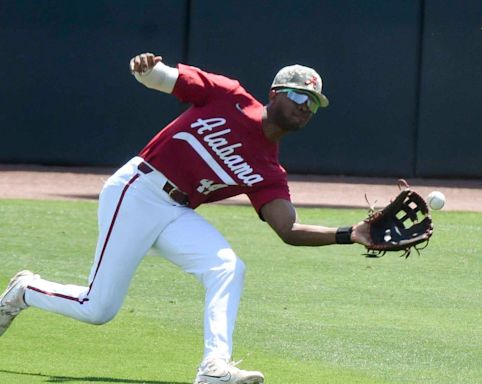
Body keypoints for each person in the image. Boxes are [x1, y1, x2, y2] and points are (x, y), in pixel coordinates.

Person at [0, 53, 371, 384]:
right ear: (275, 93)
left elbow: (288, 229)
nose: (306, 106)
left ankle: (214, 368)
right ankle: (25, 290)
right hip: (138, 190)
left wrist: (350, 232)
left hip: (176, 211)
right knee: (98, 309)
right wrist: (148, 70)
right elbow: (164, 78)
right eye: (299, 96)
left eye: (314, 103)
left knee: (228, 268)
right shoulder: (229, 96)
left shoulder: (269, 169)